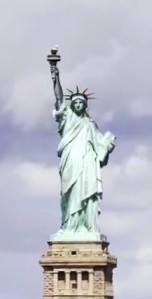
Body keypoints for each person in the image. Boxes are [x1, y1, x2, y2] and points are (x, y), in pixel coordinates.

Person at [50, 62, 116, 235]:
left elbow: (100, 146)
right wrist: (54, 75)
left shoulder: (89, 125)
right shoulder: (67, 119)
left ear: (85, 106)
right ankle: (69, 226)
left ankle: (85, 226)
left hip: (86, 163)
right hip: (70, 160)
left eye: (81, 102)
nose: (78, 104)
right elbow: (58, 98)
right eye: (75, 102)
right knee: (69, 194)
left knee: (85, 193)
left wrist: (108, 144)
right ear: (71, 105)